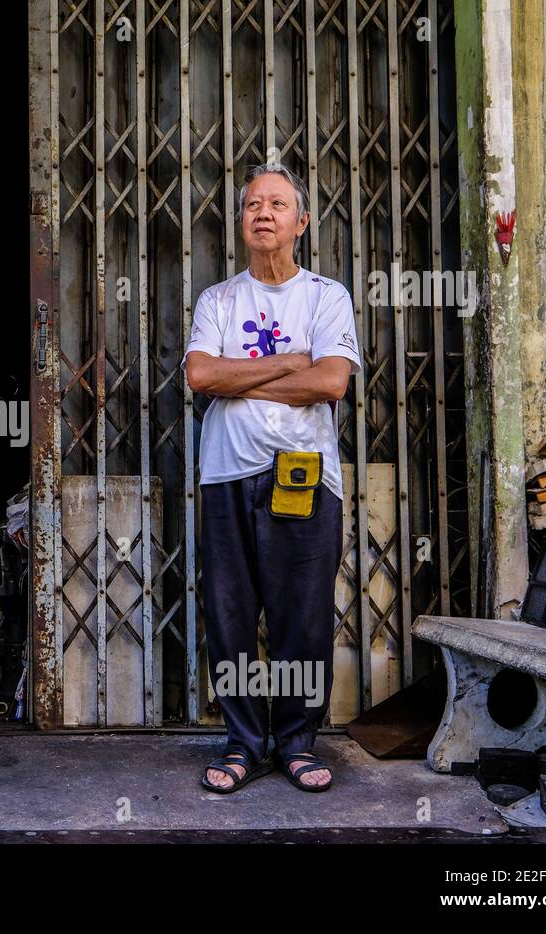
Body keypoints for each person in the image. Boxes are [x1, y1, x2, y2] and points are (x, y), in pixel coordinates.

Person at [182, 163, 362, 794]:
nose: (262, 212)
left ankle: (295, 743)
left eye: (277, 204)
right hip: (227, 474)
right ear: (241, 221)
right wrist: (288, 360)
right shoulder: (218, 300)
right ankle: (241, 743)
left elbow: (331, 381)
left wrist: (243, 375)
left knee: (302, 617)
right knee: (229, 615)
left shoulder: (326, 295)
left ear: (301, 222)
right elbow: (201, 378)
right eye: (252, 203)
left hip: (303, 475)